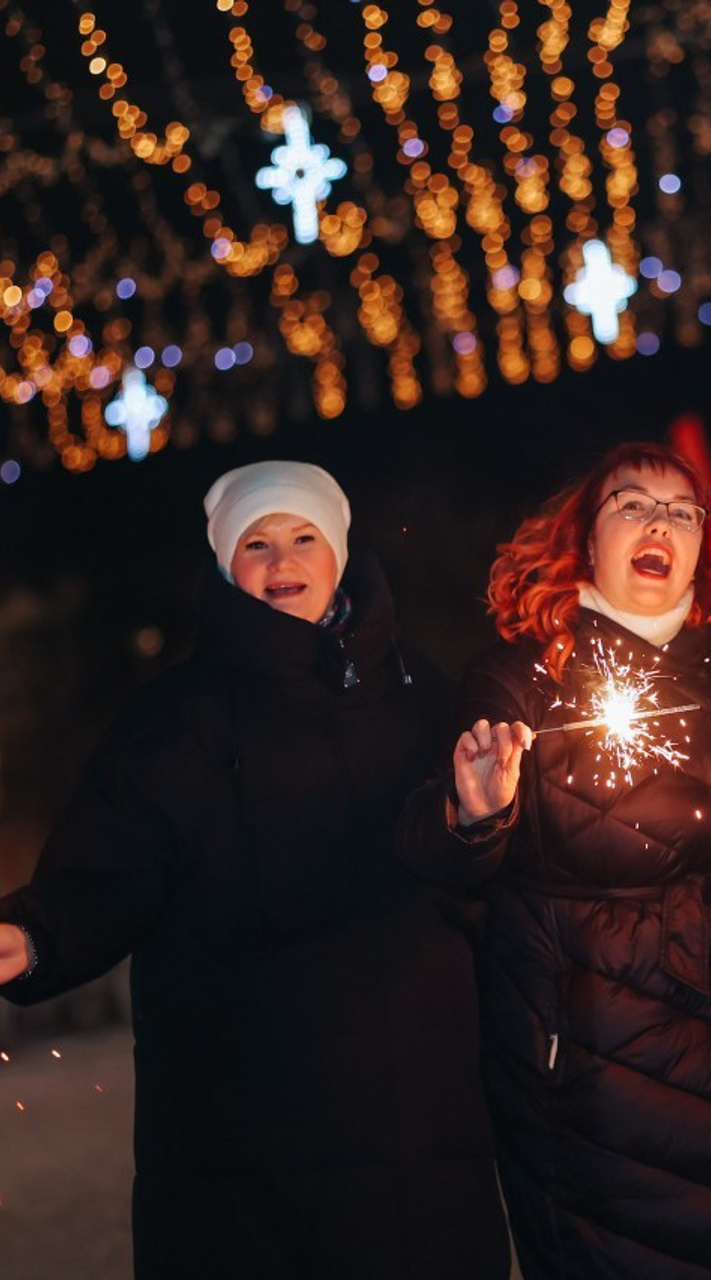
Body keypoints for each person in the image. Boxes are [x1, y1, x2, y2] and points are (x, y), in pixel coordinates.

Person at [0, 461, 509, 1280]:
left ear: (339, 553)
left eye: (303, 537)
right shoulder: (176, 718)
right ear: (225, 565)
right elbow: (111, 870)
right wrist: (34, 934)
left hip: (414, 1118)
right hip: (239, 1133)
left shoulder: (422, 697)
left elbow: (470, 872)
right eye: (256, 543)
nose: (282, 561)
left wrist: (482, 821)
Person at [397, 441, 711, 1280]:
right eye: (632, 506)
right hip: (584, 1062)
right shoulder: (521, 678)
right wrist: (474, 813)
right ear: (586, 540)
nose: (659, 524)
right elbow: (436, 852)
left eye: (681, 512)